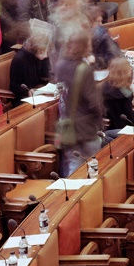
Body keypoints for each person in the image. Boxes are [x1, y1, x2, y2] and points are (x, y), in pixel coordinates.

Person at [54, 25, 103, 175]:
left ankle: (70, 197)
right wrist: (100, 116)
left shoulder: (60, 65)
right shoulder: (84, 69)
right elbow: (93, 102)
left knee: (73, 166)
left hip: (68, 126)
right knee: (92, 167)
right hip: (86, 128)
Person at [102, 55, 134, 134]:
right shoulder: (124, 94)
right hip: (121, 131)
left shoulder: (101, 87)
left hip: (105, 131)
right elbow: (131, 120)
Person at [9, 24, 51, 101]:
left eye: (46, 51)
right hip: (25, 98)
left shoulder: (39, 57)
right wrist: (27, 91)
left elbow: (44, 77)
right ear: (34, 50)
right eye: (42, 52)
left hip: (39, 92)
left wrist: (45, 60)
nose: (45, 55)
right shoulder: (19, 59)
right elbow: (13, 86)